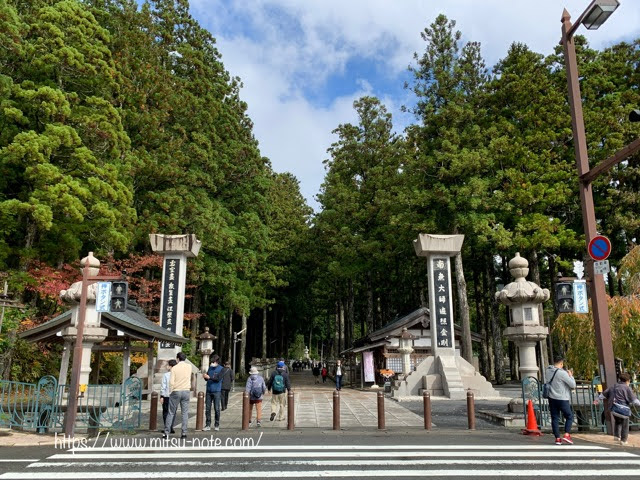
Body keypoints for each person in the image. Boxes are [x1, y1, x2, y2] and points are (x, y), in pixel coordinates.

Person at [544, 355, 576, 445]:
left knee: (555, 417)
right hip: (562, 398)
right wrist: (571, 376)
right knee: (569, 416)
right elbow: (572, 385)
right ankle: (566, 434)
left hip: (551, 397)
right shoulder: (562, 373)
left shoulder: (548, 371)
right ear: (561, 363)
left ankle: (557, 438)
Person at [602, 372, 640, 445]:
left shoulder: (613, 386)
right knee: (625, 424)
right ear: (627, 381)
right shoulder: (627, 388)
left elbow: (603, 395)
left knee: (618, 421)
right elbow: (634, 400)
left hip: (613, 409)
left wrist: (597, 399)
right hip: (623, 410)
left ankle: (616, 436)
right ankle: (624, 440)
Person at [163, 352, 192, 439]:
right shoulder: (189, 367)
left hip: (176, 391)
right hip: (186, 390)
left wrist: (170, 391)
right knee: (185, 413)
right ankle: (184, 433)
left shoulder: (174, 368)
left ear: (178, 359)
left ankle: (166, 432)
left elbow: (171, 382)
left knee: (171, 412)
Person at [203, 354, 223, 431]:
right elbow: (207, 378)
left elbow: (218, 379)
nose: (212, 363)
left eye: (213, 362)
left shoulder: (221, 369)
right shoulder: (210, 368)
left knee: (217, 408)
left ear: (217, 362)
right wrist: (205, 377)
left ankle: (217, 424)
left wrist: (209, 377)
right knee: (207, 408)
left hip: (217, 390)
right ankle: (207, 424)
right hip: (208, 390)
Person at [160, 359, 177, 433]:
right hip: (175, 395)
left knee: (166, 412)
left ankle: (167, 427)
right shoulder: (177, 374)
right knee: (173, 412)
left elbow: (163, 386)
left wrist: (161, 396)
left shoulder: (166, 375)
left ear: (170, 366)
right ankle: (171, 427)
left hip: (167, 395)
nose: (166, 366)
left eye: (168, 365)